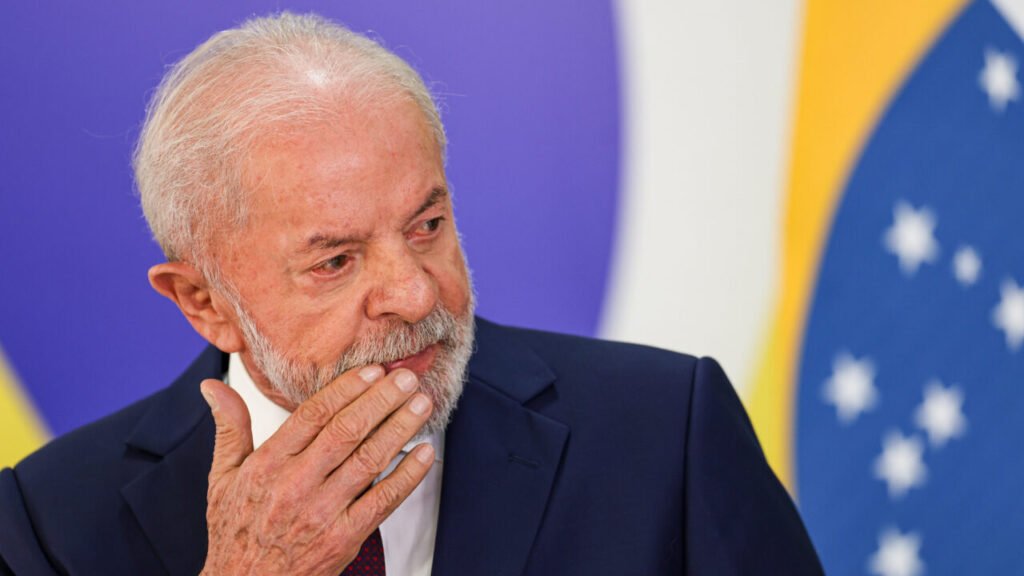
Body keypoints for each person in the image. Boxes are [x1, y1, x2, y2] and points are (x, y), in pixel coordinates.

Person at [0, 12, 822, 576]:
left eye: (427, 225)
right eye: (336, 261)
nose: (415, 293)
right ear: (203, 302)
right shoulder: (48, 523)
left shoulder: (664, 431)